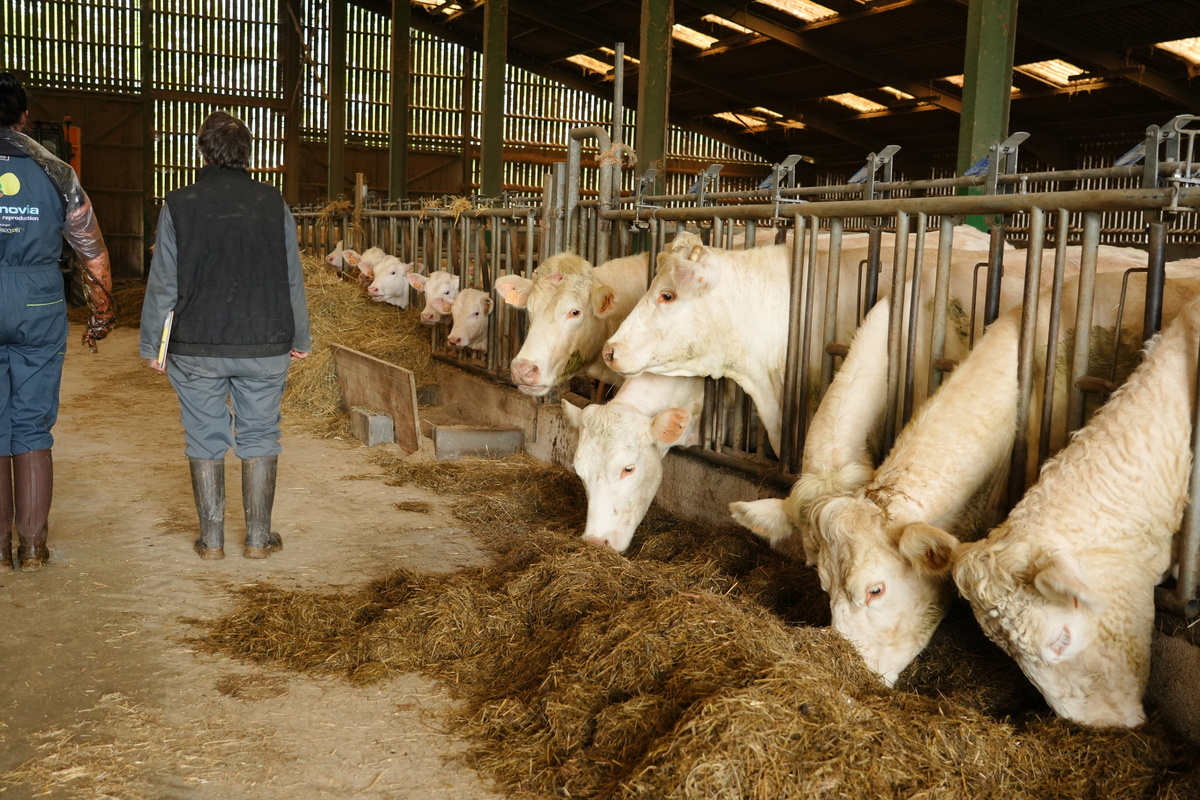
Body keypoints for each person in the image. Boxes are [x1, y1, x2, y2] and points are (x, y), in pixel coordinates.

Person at [139, 111, 311, 561]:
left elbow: (164, 282)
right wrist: (301, 336)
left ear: (202, 151)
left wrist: (153, 344)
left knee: (203, 433)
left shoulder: (179, 203)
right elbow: (292, 277)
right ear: (247, 152)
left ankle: (211, 541)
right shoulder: (274, 203)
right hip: (265, 339)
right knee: (261, 433)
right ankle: (258, 539)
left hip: (196, 343)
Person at [0, 72, 114, 573]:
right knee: (31, 422)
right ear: (23, 117)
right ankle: (32, 546)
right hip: (39, 304)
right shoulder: (55, 170)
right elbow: (91, 251)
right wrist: (103, 312)